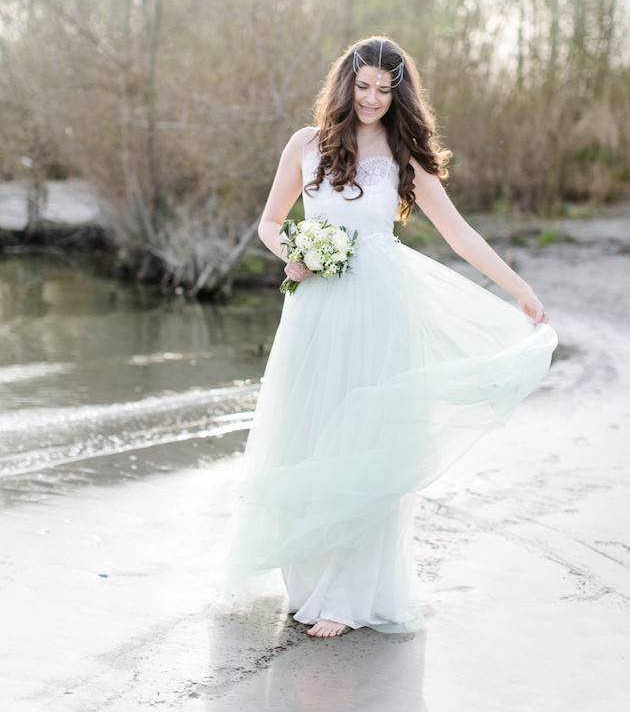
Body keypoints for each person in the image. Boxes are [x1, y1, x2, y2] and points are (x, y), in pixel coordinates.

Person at [226, 36, 557, 638]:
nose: (374, 98)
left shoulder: (404, 156)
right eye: (364, 86)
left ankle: (347, 598)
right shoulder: (306, 145)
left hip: (378, 309)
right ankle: (310, 581)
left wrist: (518, 288)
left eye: (385, 88)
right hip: (315, 311)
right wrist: (294, 253)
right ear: (345, 84)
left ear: (398, 92)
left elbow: (459, 235)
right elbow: (270, 223)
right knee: (311, 433)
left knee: (367, 441)